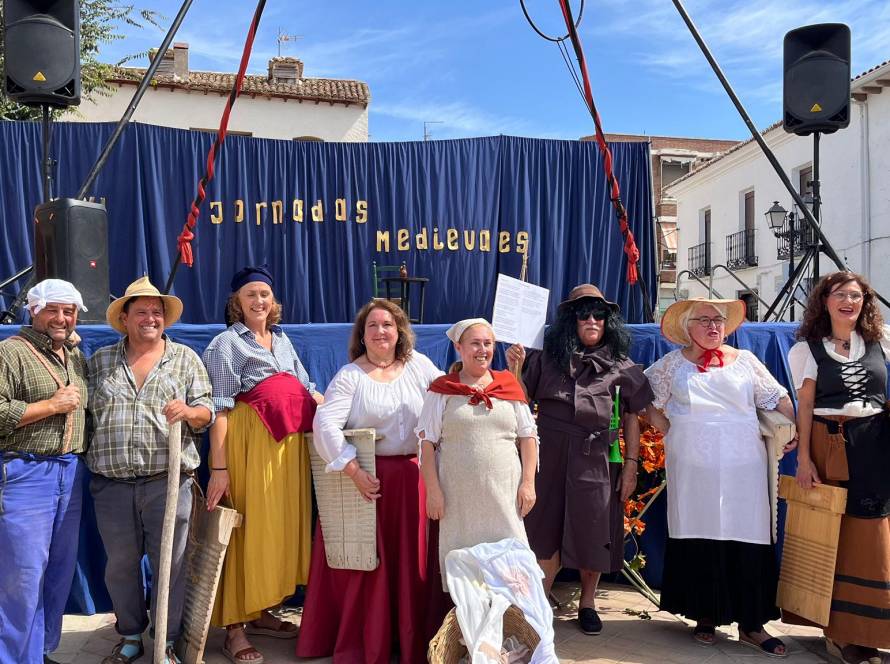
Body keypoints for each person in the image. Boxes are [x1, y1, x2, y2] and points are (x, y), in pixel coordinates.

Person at [643, 297, 797, 656]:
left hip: (744, 465)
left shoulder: (745, 362)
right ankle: (705, 616)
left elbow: (779, 397)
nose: (714, 326)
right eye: (705, 319)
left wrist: (794, 432)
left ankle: (752, 624)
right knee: (700, 535)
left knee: (747, 535)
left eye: (719, 320)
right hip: (694, 468)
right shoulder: (672, 365)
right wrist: (667, 427)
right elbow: (645, 398)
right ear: (688, 327)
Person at [296, 298, 443, 664]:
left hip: (414, 481)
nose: (381, 331)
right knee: (369, 568)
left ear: (400, 332)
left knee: (414, 568)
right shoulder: (350, 375)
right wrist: (353, 471)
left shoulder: (419, 366)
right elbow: (324, 426)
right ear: (362, 335)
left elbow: (447, 400)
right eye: (373, 326)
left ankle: (412, 640)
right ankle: (372, 641)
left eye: (388, 325)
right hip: (369, 484)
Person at [507, 284, 653, 636]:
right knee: (544, 529)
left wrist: (631, 466)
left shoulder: (621, 365)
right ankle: (540, 603)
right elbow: (519, 402)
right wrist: (515, 368)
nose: (592, 319)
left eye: (599, 314)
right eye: (584, 313)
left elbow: (635, 415)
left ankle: (587, 604)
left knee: (594, 530)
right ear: (572, 320)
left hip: (597, 457)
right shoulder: (545, 358)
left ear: (607, 321)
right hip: (550, 454)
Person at [87, 276, 214, 664]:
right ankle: (129, 636)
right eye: (141, 311)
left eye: (156, 312)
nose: (150, 318)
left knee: (171, 568)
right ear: (124, 318)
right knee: (121, 566)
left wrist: (189, 412)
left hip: (168, 482)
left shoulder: (186, 359)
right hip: (112, 484)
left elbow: (207, 412)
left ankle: (165, 642)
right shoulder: (100, 361)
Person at [201, 265, 323, 664]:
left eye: (265, 295)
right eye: (250, 294)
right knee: (244, 530)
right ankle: (234, 628)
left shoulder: (282, 340)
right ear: (237, 302)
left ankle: (260, 611)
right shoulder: (225, 344)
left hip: (285, 451)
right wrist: (220, 469)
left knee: (272, 533)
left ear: (274, 302)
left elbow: (306, 387)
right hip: (248, 448)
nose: (259, 301)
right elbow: (218, 408)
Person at [787, 272, 890, 664]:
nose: (849, 301)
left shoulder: (881, 340)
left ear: (865, 301)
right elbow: (806, 406)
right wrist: (803, 459)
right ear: (824, 301)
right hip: (827, 444)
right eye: (840, 295)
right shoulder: (807, 349)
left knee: (872, 536)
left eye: (856, 295)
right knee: (833, 537)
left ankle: (870, 630)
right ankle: (842, 634)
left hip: (875, 443)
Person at [0, 279, 88, 664]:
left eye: (68, 311)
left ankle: (41, 650)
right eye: (53, 309)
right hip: (26, 472)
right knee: (22, 575)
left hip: (70, 471)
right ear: (32, 310)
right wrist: (50, 406)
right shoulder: (9, 353)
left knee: (57, 571)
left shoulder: (73, 356)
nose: (61, 317)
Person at [417, 318, 538, 590]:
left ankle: (509, 629)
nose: (482, 349)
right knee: (466, 575)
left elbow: (528, 436)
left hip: (503, 497)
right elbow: (426, 443)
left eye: (488, 343)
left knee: (510, 570)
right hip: (458, 500)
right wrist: (433, 491)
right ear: (459, 348)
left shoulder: (508, 386)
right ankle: (471, 630)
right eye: (475, 343)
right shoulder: (442, 390)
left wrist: (528, 484)